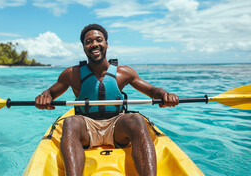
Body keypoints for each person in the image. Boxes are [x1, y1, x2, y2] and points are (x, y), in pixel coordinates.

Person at [35, 24, 179, 176]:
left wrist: (164, 94)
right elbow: (50, 92)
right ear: (84, 47)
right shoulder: (71, 74)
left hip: (117, 125)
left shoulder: (124, 72)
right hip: (86, 126)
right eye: (88, 41)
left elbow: (151, 91)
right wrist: (44, 97)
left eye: (99, 40)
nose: (94, 44)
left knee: (136, 119)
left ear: (106, 44)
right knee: (70, 122)